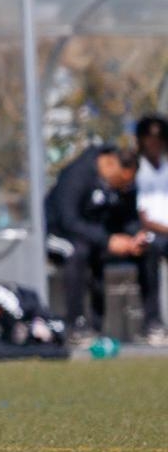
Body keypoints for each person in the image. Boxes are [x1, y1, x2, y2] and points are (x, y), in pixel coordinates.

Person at [44, 143, 154, 344]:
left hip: (96, 237)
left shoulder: (125, 182)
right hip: (57, 235)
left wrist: (135, 236)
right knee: (77, 252)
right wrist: (107, 240)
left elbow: (128, 217)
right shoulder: (77, 175)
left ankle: (152, 325)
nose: (124, 188)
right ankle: (75, 325)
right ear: (110, 164)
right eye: (121, 182)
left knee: (148, 251)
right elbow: (69, 221)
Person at [132, 115, 168, 345]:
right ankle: (153, 323)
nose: (155, 143)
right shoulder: (138, 170)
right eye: (150, 137)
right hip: (150, 235)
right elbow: (142, 216)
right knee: (150, 254)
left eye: (160, 138)